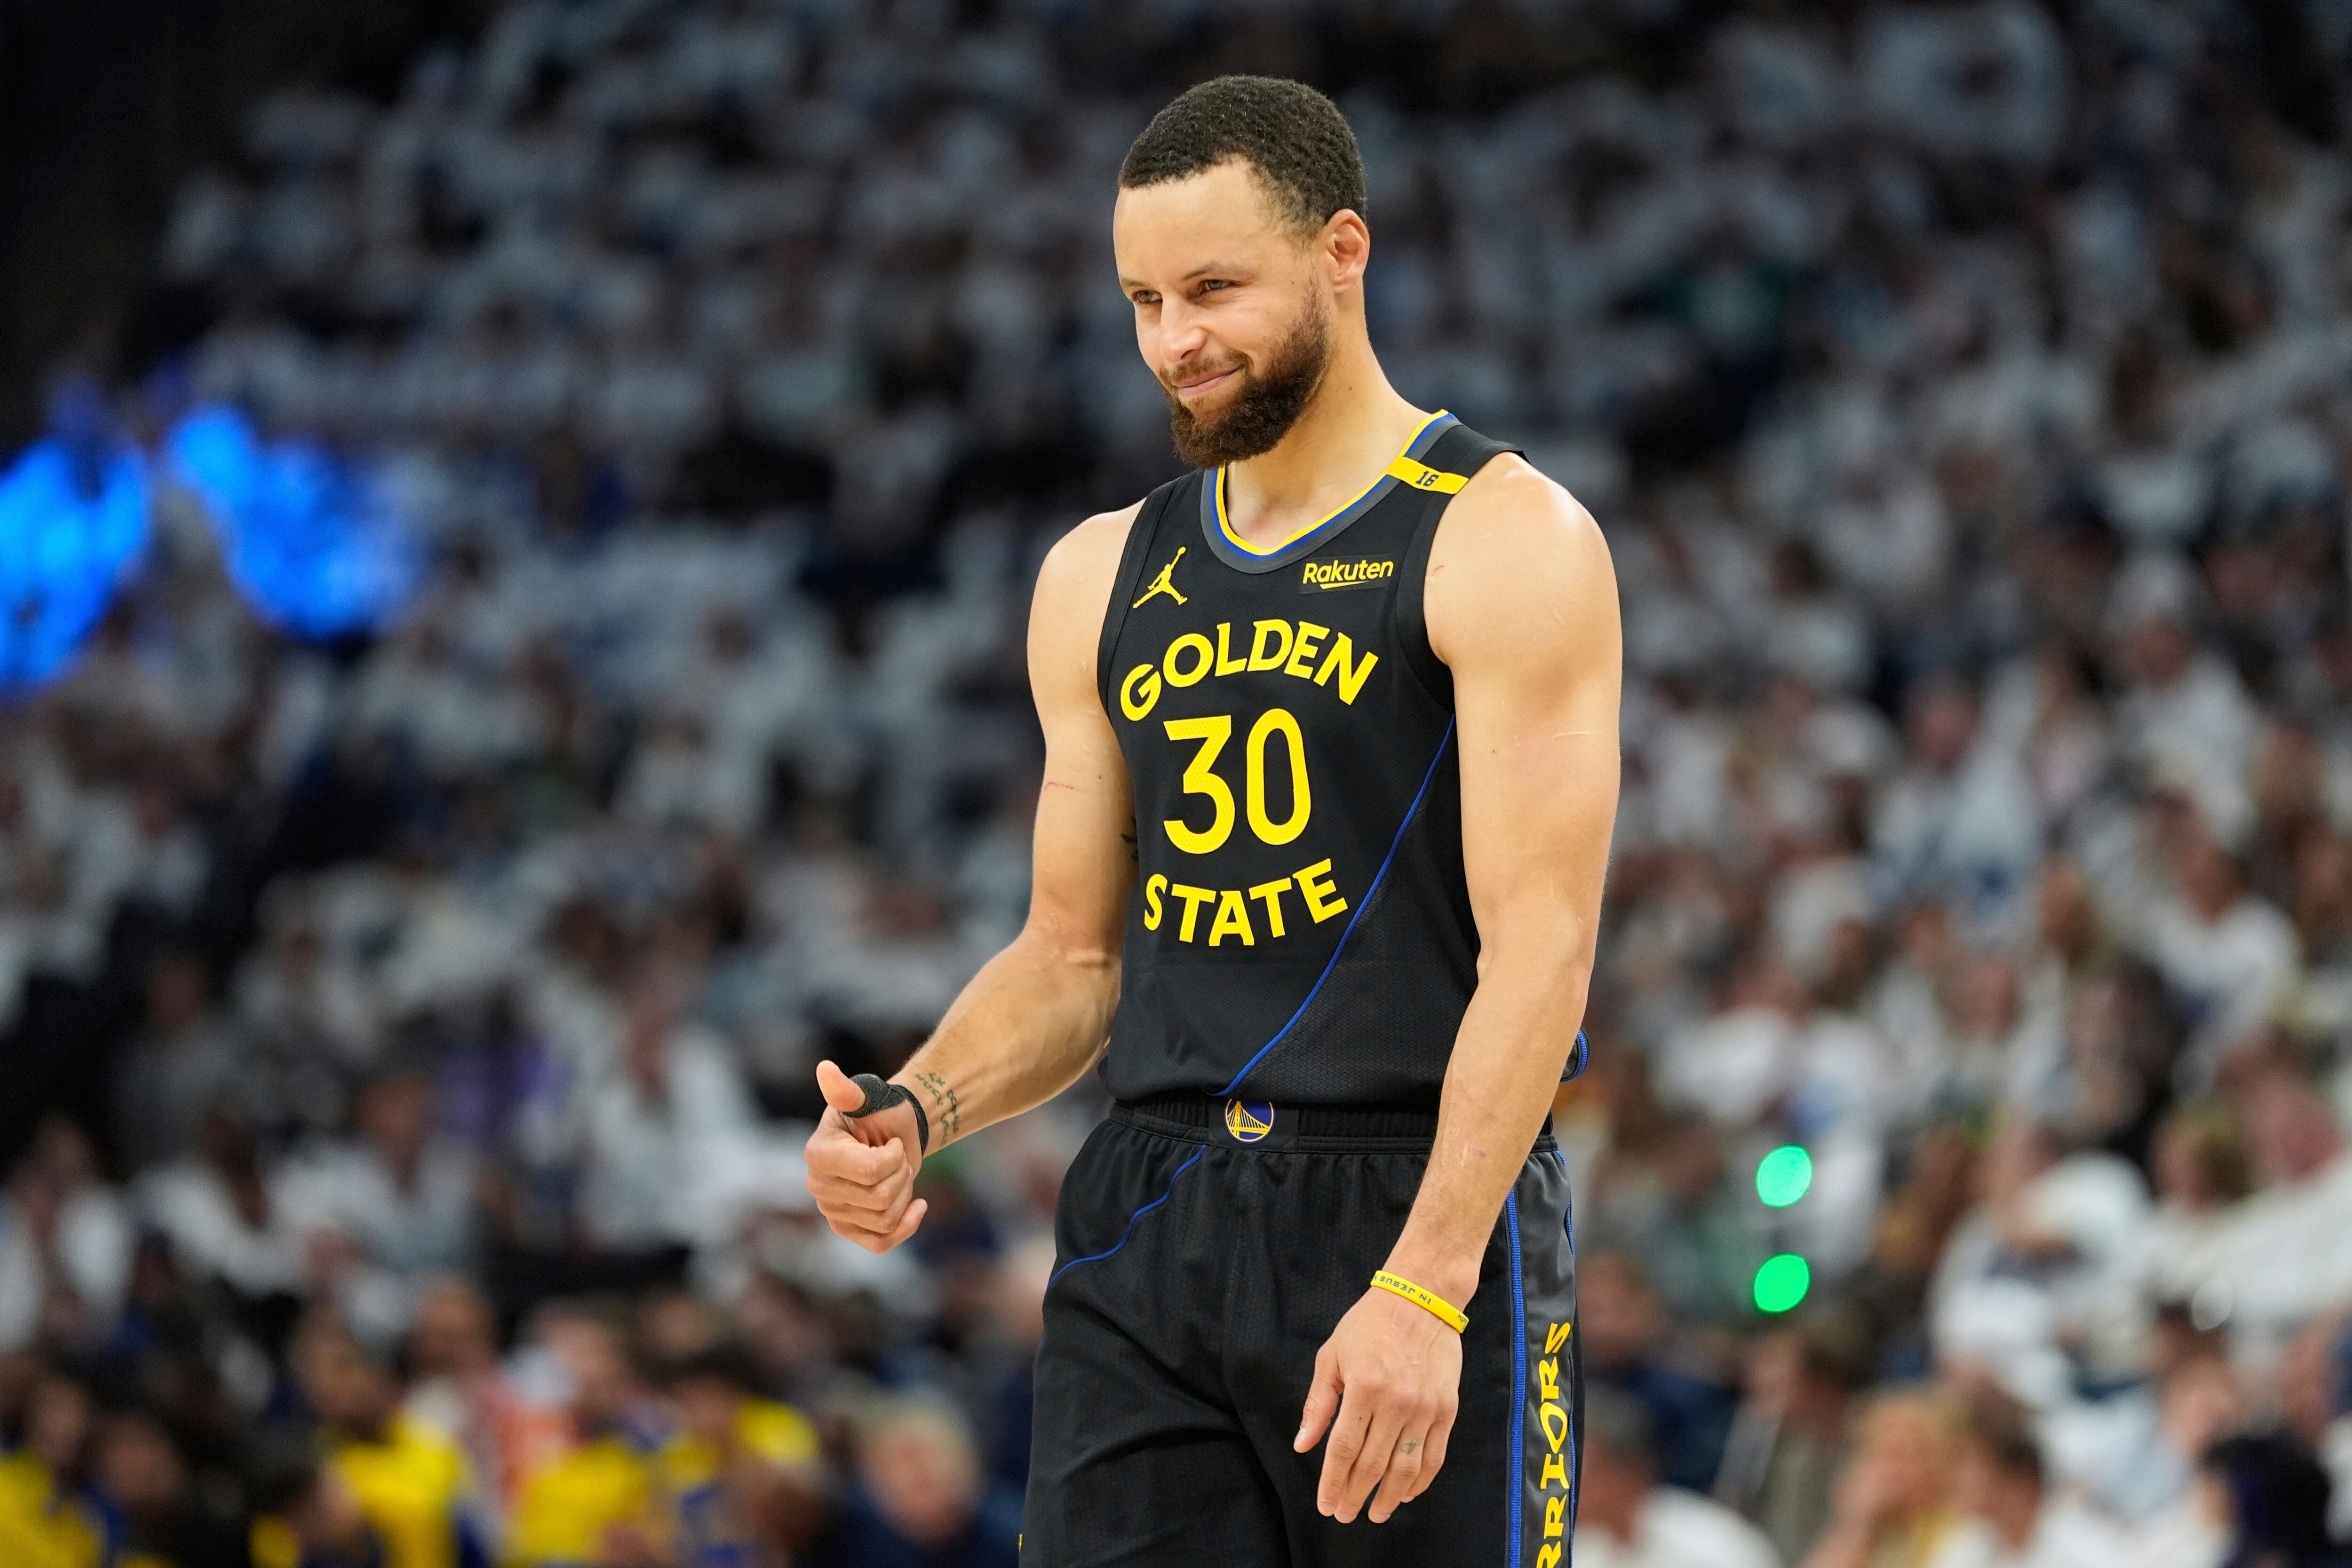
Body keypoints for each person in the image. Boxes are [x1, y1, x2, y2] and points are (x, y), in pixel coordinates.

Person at [803, 73, 1620, 1565]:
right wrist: (915, 1109)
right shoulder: (1098, 572)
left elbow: (1543, 951)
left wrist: (1427, 1285)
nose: (1172, 342)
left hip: (1408, 1197)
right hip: (1148, 1198)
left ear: (1341, 254)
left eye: (1212, 289)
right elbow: (1070, 957)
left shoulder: (1505, 536)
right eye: (1141, 299)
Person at [1576, 1388, 1781, 1568]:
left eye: (1580, 1469)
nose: (1565, 1485)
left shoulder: (1713, 1543)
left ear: (1628, 1472)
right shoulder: (1578, 1548)